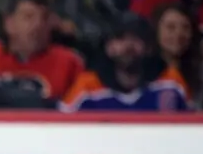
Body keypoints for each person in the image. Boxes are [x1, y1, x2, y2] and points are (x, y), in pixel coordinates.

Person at [60, 13, 191, 112]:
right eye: (120, 38)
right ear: (109, 47)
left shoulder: (171, 81)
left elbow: (195, 129)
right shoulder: (87, 85)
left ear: (148, 47)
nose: (128, 46)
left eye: (136, 38)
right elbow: (60, 127)